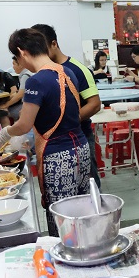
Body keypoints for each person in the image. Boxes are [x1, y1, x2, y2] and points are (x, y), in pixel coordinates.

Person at [0, 28, 90, 236]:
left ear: (22, 52)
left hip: (58, 156)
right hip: (81, 149)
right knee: (80, 211)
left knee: (61, 217)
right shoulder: (68, 71)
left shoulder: (37, 80)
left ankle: (65, 260)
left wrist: (5, 132)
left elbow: (24, 124)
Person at [31, 24, 102, 187]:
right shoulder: (44, 71)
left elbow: (94, 104)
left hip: (80, 136)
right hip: (54, 142)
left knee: (88, 183)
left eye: (42, 49)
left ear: (54, 44)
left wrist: (69, 120)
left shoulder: (77, 69)